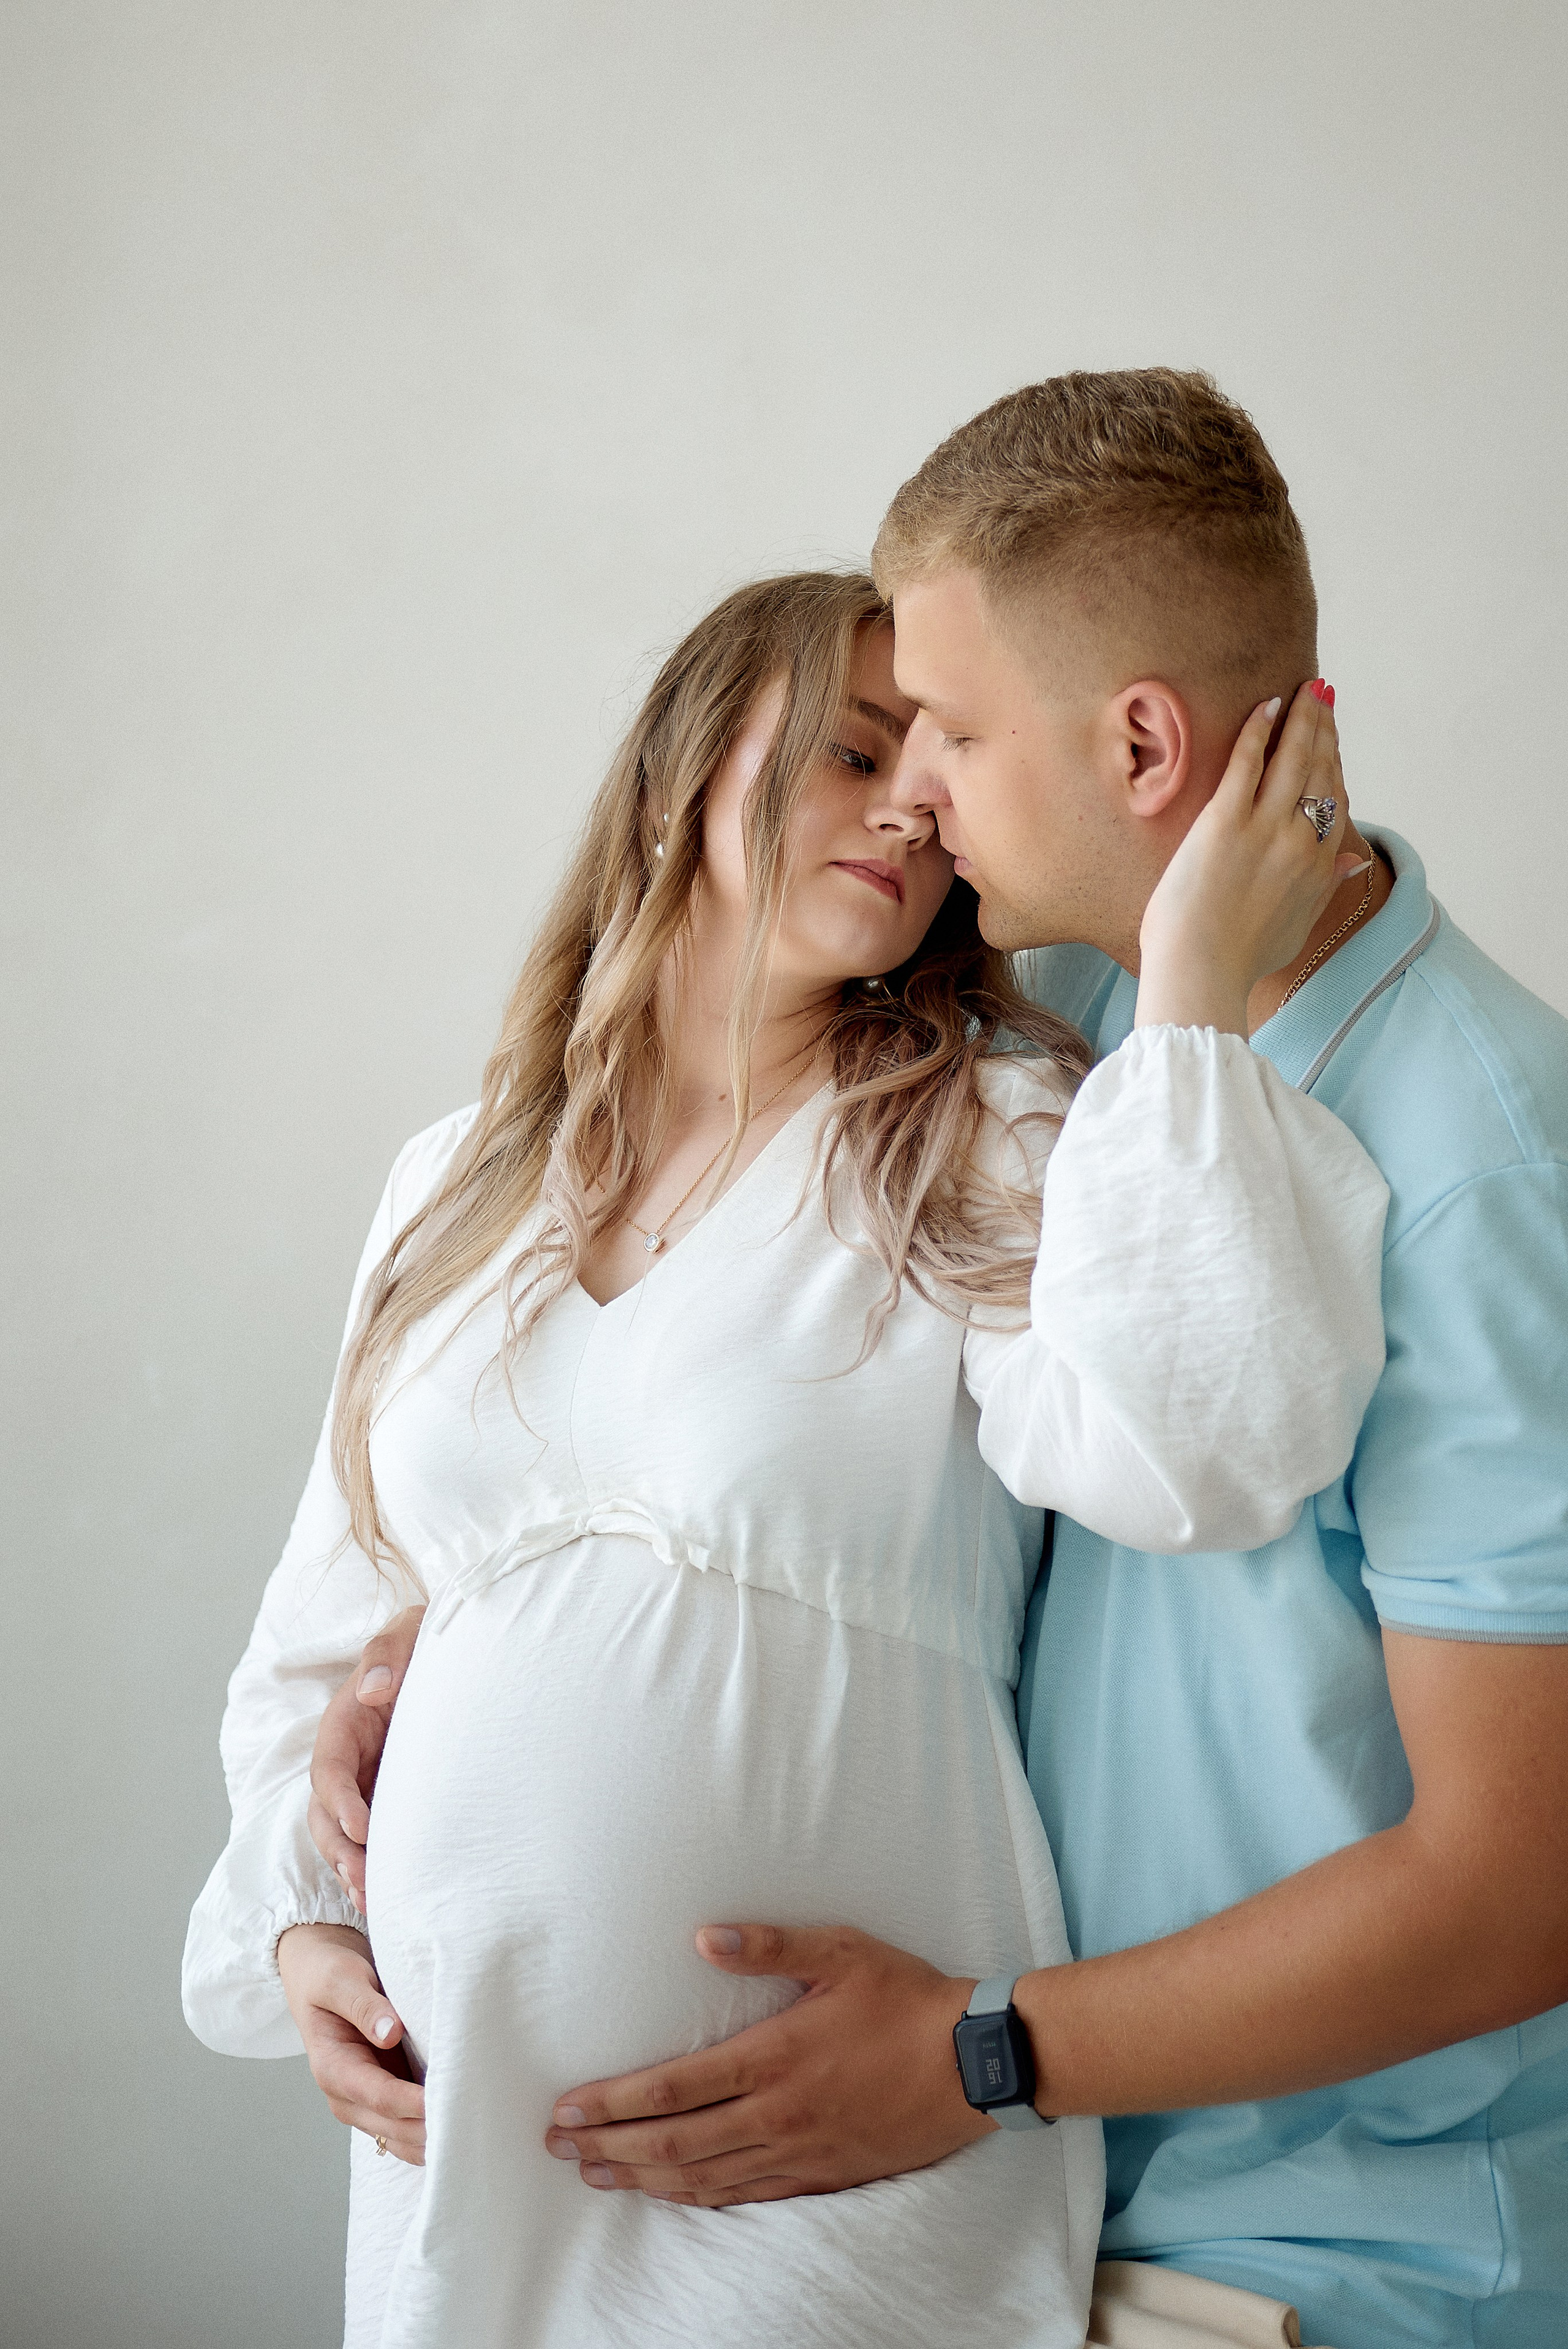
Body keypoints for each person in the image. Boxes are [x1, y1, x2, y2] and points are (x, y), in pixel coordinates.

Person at [327, 373, 1568, 2349]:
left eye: (958, 738)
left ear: (1143, 743)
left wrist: (988, 2053)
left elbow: (1522, 1884)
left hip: (1323, 2257)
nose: (922, 803)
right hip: (1069, 2210)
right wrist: (464, 1648)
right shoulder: (1052, 1015)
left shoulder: (1482, 1151)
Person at [183, 565, 1387, 2349]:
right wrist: (301, 1940)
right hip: (467, 2149)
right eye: (851, 747)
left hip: (832, 2154)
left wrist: (1192, 998)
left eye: (939, 770)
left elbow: (1204, 1447)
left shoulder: (983, 1127)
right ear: (688, 763)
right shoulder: (455, 1181)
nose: (909, 802)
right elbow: (320, 1627)